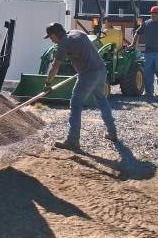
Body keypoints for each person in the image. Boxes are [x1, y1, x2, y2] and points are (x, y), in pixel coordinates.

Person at [43, 23, 118, 151]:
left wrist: (48, 84)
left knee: (76, 103)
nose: (51, 40)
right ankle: (112, 132)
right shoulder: (77, 33)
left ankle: (72, 141)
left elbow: (55, 66)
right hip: (100, 70)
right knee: (101, 100)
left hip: (88, 74)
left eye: (51, 37)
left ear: (55, 35)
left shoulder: (63, 43)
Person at [132, 5, 158, 98]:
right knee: (147, 72)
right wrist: (133, 44)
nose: (153, 15)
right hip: (148, 52)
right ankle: (149, 92)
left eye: (155, 14)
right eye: (152, 14)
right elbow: (137, 33)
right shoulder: (146, 23)